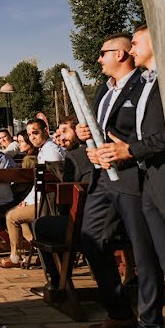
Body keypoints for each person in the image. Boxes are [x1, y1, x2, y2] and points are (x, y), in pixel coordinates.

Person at [98, 25, 165, 328]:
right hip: (151, 184)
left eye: (138, 42)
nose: (132, 48)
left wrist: (130, 150)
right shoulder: (145, 86)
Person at [76, 33, 164, 328]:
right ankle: (119, 311)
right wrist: (84, 133)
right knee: (91, 241)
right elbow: (99, 130)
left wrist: (126, 150)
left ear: (122, 54)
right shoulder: (103, 89)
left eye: (103, 53)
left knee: (143, 254)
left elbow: (148, 131)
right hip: (101, 179)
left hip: (131, 180)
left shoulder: (144, 85)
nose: (98, 59)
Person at [31, 116, 96, 289]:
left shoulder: (75, 157)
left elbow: (65, 202)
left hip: (84, 226)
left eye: (65, 131)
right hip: (114, 222)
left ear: (80, 130)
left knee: (40, 224)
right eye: (59, 132)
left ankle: (58, 281)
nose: (61, 137)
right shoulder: (103, 151)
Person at [0, 118, 64, 269]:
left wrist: (30, 200)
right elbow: (39, 184)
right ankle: (39, 250)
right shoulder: (45, 149)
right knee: (19, 212)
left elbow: (47, 184)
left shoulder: (51, 151)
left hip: (51, 203)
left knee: (11, 216)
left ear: (46, 131)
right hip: (44, 198)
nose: (32, 137)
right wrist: (27, 200)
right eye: (29, 134)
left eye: (35, 133)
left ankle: (15, 257)